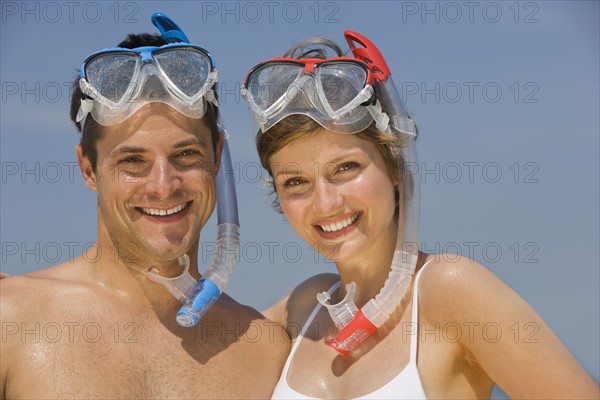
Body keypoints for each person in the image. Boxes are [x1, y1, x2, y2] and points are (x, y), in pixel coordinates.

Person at [241, 31, 599, 398]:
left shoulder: (449, 288)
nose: (325, 203)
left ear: (396, 165)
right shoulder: (304, 307)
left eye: (346, 168)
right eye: (296, 181)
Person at [0, 13, 288, 399]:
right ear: (89, 169)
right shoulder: (12, 319)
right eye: (132, 161)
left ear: (217, 158)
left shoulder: (266, 350)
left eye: (186, 154)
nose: (163, 185)